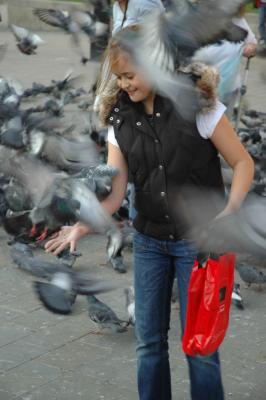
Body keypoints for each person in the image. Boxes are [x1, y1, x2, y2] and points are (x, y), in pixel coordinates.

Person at [45, 26, 254, 400]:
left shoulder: (199, 107)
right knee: (149, 345)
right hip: (149, 243)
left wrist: (231, 210)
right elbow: (116, 192)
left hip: (200, 246)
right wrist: (82, 226)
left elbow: (242, 163)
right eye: (119, 77)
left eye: (130, 75)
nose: (123, 84)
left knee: (201, 349)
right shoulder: (119, 122)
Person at [193, 6, 257, 120]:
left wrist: (249, 48)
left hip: (229, 89)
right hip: (202, 91)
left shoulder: (236, 19)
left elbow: (252, 42)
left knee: (224, 125)